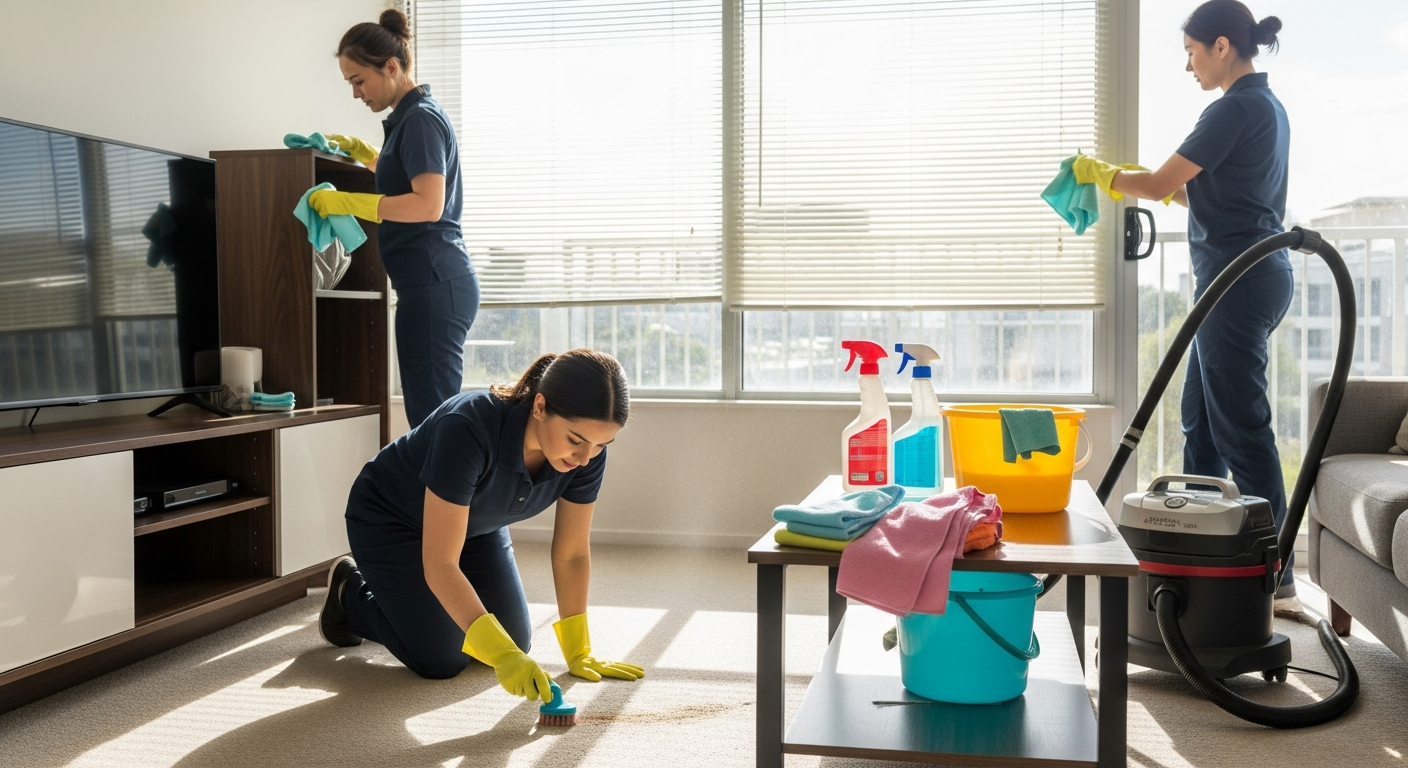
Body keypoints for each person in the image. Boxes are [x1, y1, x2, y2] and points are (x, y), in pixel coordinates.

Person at [1075, 1, 1299, 605]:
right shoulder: (1267, 108)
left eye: (1192, 53)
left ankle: (1276, 574)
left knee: (1240, 428)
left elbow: (1155, 185)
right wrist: (1177, 192)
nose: (1188, 66)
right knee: (1200, 427)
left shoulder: (1233, 108)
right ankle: (1199, 557)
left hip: (1237, 280)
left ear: (1222, 47)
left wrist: (1100, 173)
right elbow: (1224, 190)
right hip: (1248, 277)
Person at [318, 350, 645, 702]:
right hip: (390, 520)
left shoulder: (587, 454)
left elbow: (571, 552)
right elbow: (441, 563)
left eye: (601, 444)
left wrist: (578, 650)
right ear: (539, 406)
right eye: (576, 440)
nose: (585, 458)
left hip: (475, 526)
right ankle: (348, 592)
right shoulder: (468, 427)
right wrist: (503, 657)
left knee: (514, 640)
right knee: (442, 656)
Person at [310, 9, 479, 429]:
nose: (355, 94)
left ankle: (445, 496)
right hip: (432, 283)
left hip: (433, 284)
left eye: (358, 81)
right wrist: (369, 157)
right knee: (432, 417)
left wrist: (350, 203)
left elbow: (427, 205)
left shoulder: (420, 119)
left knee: (432, 422)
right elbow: (405, 179)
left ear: (391, 67)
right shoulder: (411, 117)